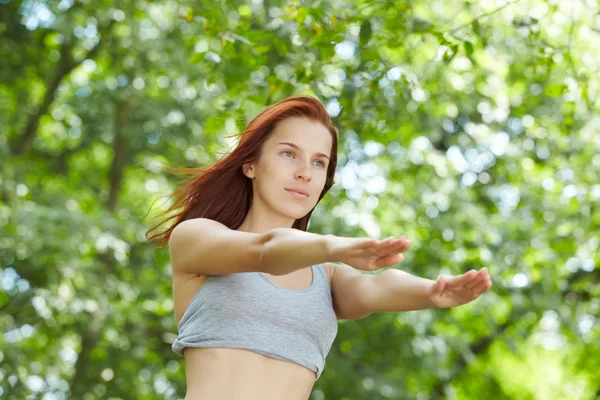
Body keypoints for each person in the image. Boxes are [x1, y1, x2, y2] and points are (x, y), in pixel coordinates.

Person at [146, 95, 492, 400]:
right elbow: (266, 251)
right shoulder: (196, 237)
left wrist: (431, 292)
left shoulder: (325, 276)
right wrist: (334, 246)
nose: (304, 173)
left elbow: (375, 287)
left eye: (318, 162)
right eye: (288, 153)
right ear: (250, 164)